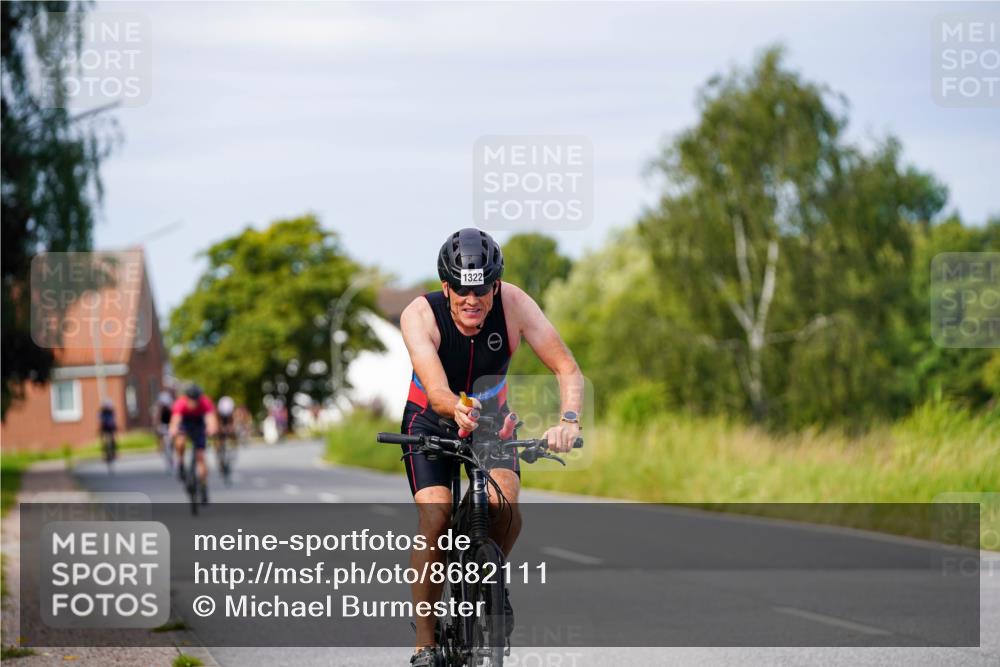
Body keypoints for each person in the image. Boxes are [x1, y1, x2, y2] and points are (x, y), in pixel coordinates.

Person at [398, 228, 583, 666]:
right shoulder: (419, 315)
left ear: (494, 285)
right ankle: (425, 643)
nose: (471, 299)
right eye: (461, 289)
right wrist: (454, 409)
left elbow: (567, 368)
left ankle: (486, 583)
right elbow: (438, 387)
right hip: (433, 416)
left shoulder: (515, 305)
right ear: (447, 286)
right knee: (437, 514)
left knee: (505, 508)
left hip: (492, 421)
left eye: (481, 289)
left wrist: (568, 421)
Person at [169, 384, 218, 504]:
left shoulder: (205, 403)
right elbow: (175, 420)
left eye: (196, 399)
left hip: (199, 425)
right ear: (187, 398)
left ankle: (203, 486)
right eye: (191, 399)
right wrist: (173, 430)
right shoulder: (180, 404)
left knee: (200, 457)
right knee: (180, 441)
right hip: (185, 423)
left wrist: (212, 429)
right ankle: (180, 462)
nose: (193, 402)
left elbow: (211, 419)